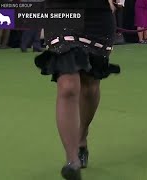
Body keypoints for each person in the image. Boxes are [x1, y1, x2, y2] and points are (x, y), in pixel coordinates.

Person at [34, 0, 120, 179]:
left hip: (98, 14)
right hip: (59, 11)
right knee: (68, 85)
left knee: (90, 85)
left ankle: (82, 136)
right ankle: (72, 161)